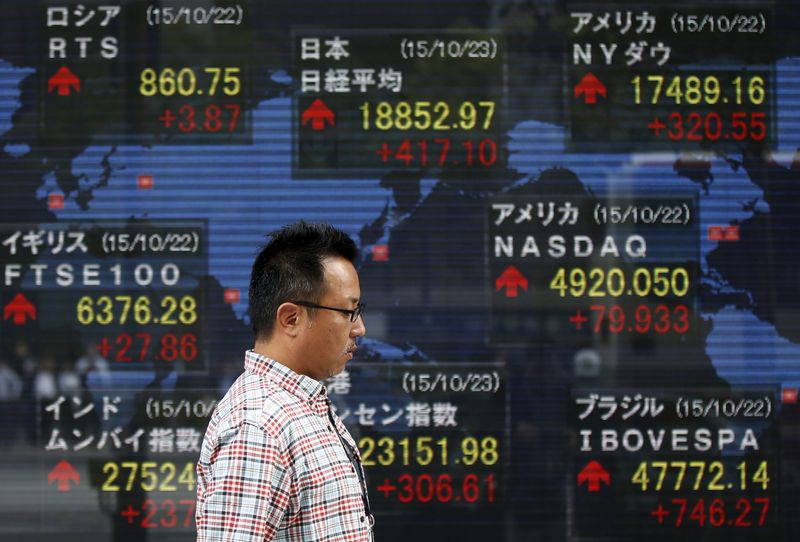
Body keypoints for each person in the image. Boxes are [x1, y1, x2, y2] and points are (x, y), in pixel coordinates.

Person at [196, 221, 373, 541]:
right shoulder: (259, 425)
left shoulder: (297, 407)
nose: (359, 328)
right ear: (291, 318)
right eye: (348, 311)